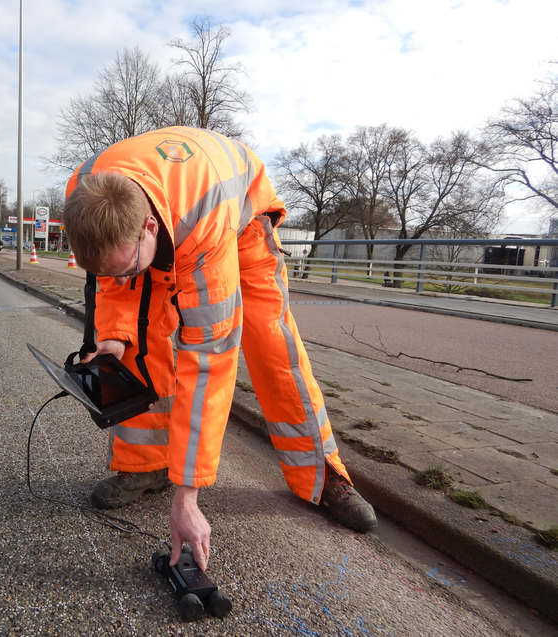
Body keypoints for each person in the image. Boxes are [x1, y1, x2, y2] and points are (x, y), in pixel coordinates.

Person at [62, 127, 376, 573]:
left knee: (271, 342)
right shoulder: (84, 190)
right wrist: (114, 331)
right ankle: (145, 464)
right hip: (166, 216)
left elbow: (209, 360)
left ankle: (323, 475)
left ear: (149, 227)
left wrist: (188, 495)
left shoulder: (202, 224)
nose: (126, 277)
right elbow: (116, 278)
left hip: (236, 221)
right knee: (131, 346)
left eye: (130, 267)